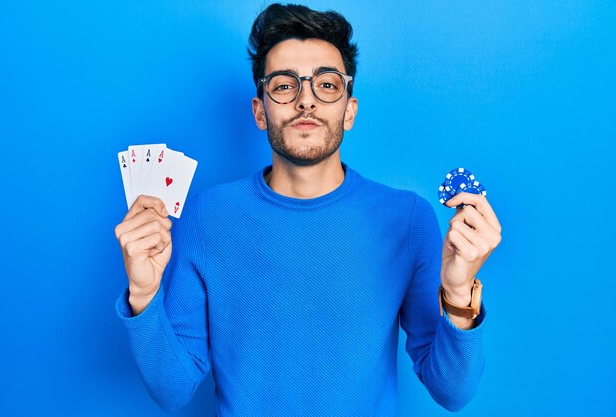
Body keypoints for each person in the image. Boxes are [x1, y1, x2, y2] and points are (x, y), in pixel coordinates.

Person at [114, 3, 502, 416]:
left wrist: (460, 294)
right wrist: (143, 294)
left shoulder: (408, 220)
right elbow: (171, 391)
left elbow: (452, 393)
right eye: (284, 86)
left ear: (349, 111)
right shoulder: (206, 217)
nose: (306, 101)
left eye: (327, 85)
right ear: (260, 111)